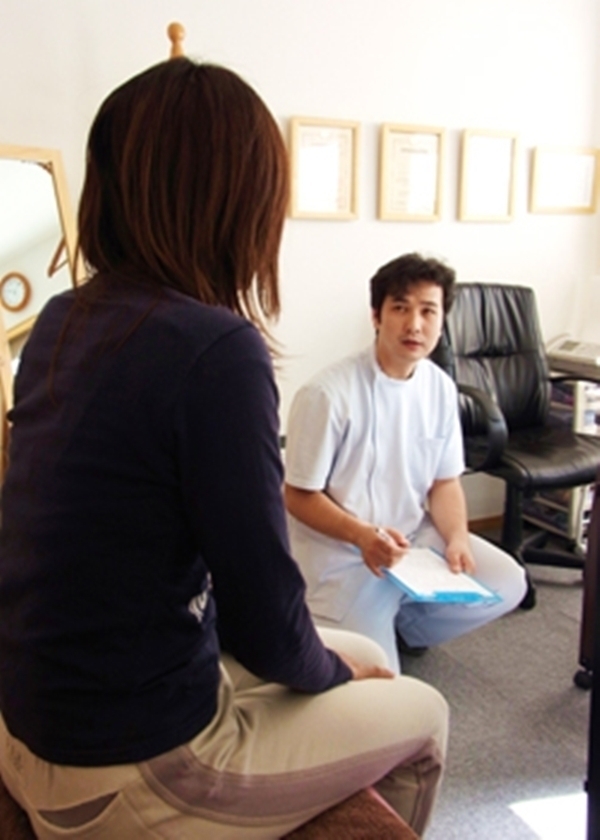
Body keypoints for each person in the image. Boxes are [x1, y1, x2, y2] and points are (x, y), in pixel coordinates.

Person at [0, 62, 449, 839]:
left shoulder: (64, 319)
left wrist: (334, 662)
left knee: (348, 652)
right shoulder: (216, 349)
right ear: (239, 199)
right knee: (420, 710)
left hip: (29, 719)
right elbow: (267, 615)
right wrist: (339, 673)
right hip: (123, 767)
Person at [284, 253, 528, 673]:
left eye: (428, 311)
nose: (414, 325)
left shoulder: (439, 387)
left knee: (509, 582)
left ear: (441, 320)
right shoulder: (327, 393)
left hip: (414, 545)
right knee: (379, 686)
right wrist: (362, 536)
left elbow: (444, 481)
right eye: (400, 308)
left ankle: (404, 624)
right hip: (346, 556)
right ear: (376, 315)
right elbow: (298, 494)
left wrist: (457, 539)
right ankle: (351, 621)